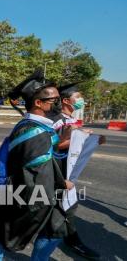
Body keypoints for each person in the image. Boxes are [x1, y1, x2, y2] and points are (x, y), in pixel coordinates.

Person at [0, 70, 71, 261]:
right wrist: (61, 182)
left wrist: (61, 143)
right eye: (54, 100)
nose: (60, 103)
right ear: (38, 103)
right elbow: (37, 170)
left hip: (40, 190)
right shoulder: (32, 132)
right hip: (28, 191)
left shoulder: (40, 128)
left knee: (54, 229)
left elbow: (44, 156)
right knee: (6, 229)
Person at [51, 82, 103, 260]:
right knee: (67, 206)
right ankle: (71, 241)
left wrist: (93, 140)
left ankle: (64, 237)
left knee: (63, 206)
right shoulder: (59, 120)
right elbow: (56, 146)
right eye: (78, 97)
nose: (81, 100)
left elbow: (74, 143)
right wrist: (82, 138)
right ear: (66, 100)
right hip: (59, 171)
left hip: (69, 171)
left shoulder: (72, 119)